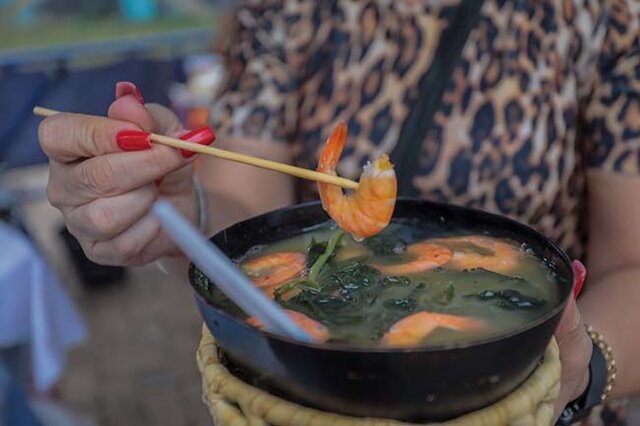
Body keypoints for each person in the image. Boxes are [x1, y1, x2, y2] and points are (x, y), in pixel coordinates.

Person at [37, 1, 640, 424]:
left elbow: (633, 263)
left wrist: (576, 370)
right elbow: (247, 211)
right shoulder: (287, 9)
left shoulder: (607, 15)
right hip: (310, 405)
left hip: (533, 399)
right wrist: (178, 208)